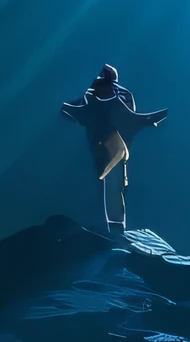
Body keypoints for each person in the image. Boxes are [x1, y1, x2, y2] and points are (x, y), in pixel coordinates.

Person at [61, 63, 167, 237]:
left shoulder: (121, 96)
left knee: (115, 178)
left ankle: (115, 226)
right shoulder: (91, 96)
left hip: (114, 142)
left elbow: (132, 118)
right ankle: (110, 225)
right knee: (108, 177)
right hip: (100, 140)